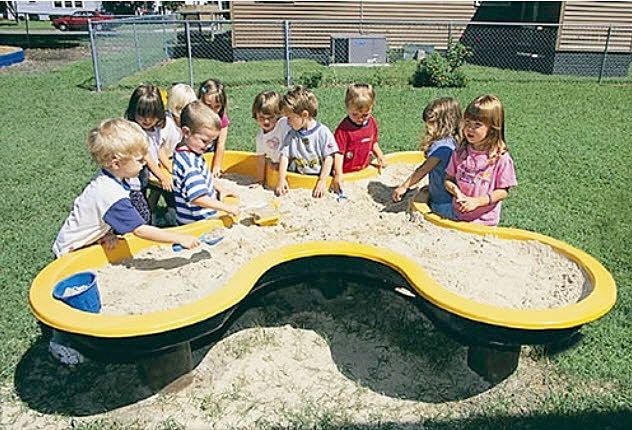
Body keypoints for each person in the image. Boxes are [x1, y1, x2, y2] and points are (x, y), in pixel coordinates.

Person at [50, 119, 201, 365]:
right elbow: (141, 231)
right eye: (141, 161)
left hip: (88, 242)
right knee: (74, 304)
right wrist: (178, 237)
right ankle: (59, 341)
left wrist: (104, 234)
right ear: (116, 163)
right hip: (71, 251)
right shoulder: (110, 194)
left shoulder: (113, 179)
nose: (145, 164)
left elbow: (95, 216)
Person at [445, 94, 518, 226]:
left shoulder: (500, 158)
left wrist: (476, 202)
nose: (470, 129)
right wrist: (457, 193)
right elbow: (448, 179)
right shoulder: (460, 152)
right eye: (467, 123)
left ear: (492, 128)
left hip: (485, 221)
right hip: (457, 215)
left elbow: (502, 191)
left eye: (477, 125)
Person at [392, 97, 462, 219]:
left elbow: (423, 170)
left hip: (442, 202)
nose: (428, 127)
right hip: (449, 198)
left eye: (431, 123)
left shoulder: (441, 148)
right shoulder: (454, 142)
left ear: (445, 123)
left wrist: (404, 187)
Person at [172, 101, 240, 225]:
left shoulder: (187, 151)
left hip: (194, 218)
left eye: (211, 142)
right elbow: (198, 198)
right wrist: (227, 208)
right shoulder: (190, 165)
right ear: (186, 132)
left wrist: (221, 189)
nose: (208, 146)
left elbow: (204, 176)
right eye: (204, 141)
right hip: (197, 222)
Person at [124, 85, 178, 224]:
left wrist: (170, 168)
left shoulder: (156, 128)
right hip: (136, 173)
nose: (147, 120)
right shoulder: (135, 130)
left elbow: (159, 149)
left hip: (152, 168)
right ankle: (142, 223)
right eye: (142, 115)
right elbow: (147, 156)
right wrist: (162, 176)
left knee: (169, 189)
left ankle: (162, 216)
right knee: (137, 201)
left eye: (152, 116)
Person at [275, 86, 341, 198]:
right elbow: (284, 157)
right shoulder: (292, 134)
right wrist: (281, 179)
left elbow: (329, 158)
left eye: (290, 118)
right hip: (300, 178)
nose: (287, 122)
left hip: (317, 176)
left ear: (304, 115)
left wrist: (322, 180)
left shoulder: (322, 132)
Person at [334, 83, 387, 177]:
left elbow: (373, 142)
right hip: (346, 172)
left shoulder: (371, 123)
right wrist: (338, 174)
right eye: (355, 114)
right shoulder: (343, 130)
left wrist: (380, 155)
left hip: (363, 169)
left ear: (372, 108)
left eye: (365, 115)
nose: (360, 118)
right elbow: (338, 154)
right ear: (347, 107)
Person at [252, 90, 291, 186]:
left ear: (278, 115)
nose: (266, 121)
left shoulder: (284, 124)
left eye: (270, 117)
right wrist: (260, 181)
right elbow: (261, 159)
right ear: (255, 116)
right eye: (261, 117)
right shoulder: (260, 137)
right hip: (278, 165)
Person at [198, 79, 230, 177]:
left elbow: (221, 144)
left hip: (210, 152)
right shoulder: (195, 116)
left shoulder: (222, 119)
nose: (212, 110)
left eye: (217, 106)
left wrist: (216, 166)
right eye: (208, 105)